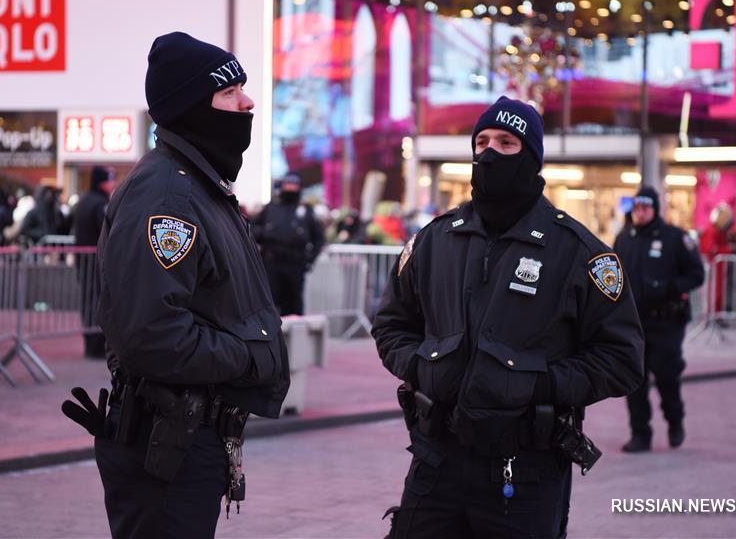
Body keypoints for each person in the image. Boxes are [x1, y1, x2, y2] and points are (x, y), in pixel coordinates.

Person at [372, 96, 644, 538]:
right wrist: (421, 364)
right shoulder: (435, 240)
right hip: (435, 461)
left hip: (524, 471)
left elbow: (621, 358)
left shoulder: (579, 253)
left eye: (506, 142)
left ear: (532, 157)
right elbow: (391, 325)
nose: (490, 153)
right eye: (481, 142)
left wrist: (537, 383)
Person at [63, 32, 289, 539]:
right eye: (230, 93)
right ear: (193, 107)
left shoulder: (202, 189)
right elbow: (152, 335)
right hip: (166, 440)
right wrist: (248, 353)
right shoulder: (168, 196)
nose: (247, 101)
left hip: (189, 438)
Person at [614, 186, 705, 453]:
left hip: (667, 322)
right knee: (634, 380)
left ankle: (675, 421)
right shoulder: (624, 238)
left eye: (645, 208)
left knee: (667, 377)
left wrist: (669, 286)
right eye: (637, 209)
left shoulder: (675, 238)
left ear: (655, 209)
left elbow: (696, 274)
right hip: (634, 323)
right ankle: (640, 434)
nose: (640, 213)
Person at [253, 172, 324, 315]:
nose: (291, 188)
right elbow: (252, 230)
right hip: (271, 264)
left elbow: (319, 238)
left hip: (295, 265)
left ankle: (293, 337)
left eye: (294, 185)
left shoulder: (306, 210)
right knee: (268, 304)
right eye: (288, 184)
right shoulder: (271, 207)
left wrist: (310, 260)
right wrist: (267, 233)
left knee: (294, 305)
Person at [73, 166, 116, 358]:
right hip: (95, 260)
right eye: (110, 180)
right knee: (96, 300)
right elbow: (107, 230)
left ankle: (91, 343)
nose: (113, 184)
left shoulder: (84, 200)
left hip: (84, 259)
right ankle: (96, 345)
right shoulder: (99, 203)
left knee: (88, 299)